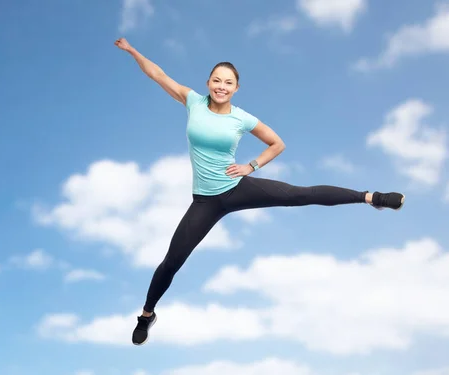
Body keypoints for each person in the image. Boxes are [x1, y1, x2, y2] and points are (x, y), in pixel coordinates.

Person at [114, 37, 405, 346]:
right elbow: (157, 74)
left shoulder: (242, 118)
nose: (221, 86)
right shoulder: (193, 102)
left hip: (237, 187)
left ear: (236, 88)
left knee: (299, 194)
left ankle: (370, 197)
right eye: (216, 80)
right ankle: (147, 315)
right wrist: (134, 52)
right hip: (205, 202)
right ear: (208, 82)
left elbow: (277, 143)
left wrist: (251, 166)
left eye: (228, 82)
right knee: (172, 261)